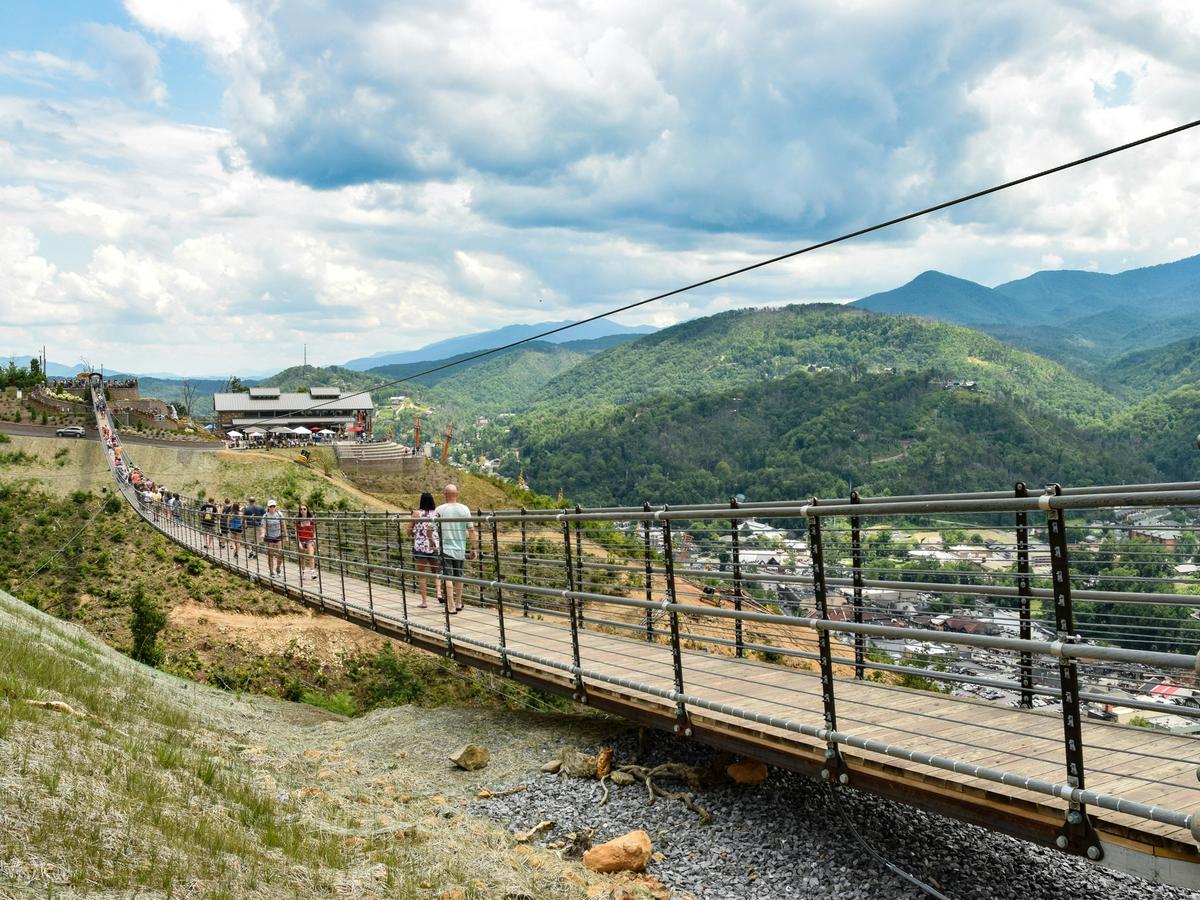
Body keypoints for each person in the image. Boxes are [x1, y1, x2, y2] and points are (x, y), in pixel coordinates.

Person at [434, 484, 476, 614]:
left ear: (445, 494)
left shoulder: (440, 509)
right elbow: (471, 530)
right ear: (457, 494)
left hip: (446, 549)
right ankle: (458, 602)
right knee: (459, 576)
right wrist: (474, 548)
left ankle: (450, 606)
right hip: (460, 549)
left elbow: (430, 528)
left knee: (448, 577)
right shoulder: (465, 509)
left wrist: (431, 542)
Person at [409, 492, 440, 608]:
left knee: (421, 575)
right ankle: (439, 593)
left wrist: (414, 532)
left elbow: (408, 530)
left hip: (420, 546)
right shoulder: (436, 513)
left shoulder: (416, 513)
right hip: (434, 545)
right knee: (436, 572)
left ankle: (424, 602)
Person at [294, 504, 317, 580]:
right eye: (301, 509)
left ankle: (312, 572)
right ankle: (303, 572)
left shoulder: (311, 519)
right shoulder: (297, 521)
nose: (303, 511)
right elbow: (296, 532)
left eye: (304, 509)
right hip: (301, 540)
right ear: (299, 511)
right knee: (302, 557)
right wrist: (299, 543)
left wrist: (314, 539)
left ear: (307, 510)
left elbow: (314, 531)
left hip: (309, 540)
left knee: (311, 554)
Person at [263, 499, 285, 576]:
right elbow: (264, 526)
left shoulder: (279, 514)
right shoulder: (265, 515)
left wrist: (286, 534)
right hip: (269, 536)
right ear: (268, 507)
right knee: (270, 554)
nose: (272, 507)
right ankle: (271, 572)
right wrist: (262, 534)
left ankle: (278, 568)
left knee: (281, 553)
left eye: (273, 506)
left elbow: (283, 524)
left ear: (275, 506)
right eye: (270, 506)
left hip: (278, 535)